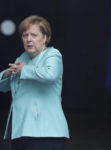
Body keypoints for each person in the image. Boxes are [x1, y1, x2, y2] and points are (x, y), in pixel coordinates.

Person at [0, 15, 69, 150]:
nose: (29, 39)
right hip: (21, 131)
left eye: (34, 35)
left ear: (45, 37)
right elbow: (4, 87)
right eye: (25, 35)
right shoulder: (22, 57)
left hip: (45, 132)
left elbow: (50, 75)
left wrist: (23, 69)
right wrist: (7, 73)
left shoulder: (52, 54)